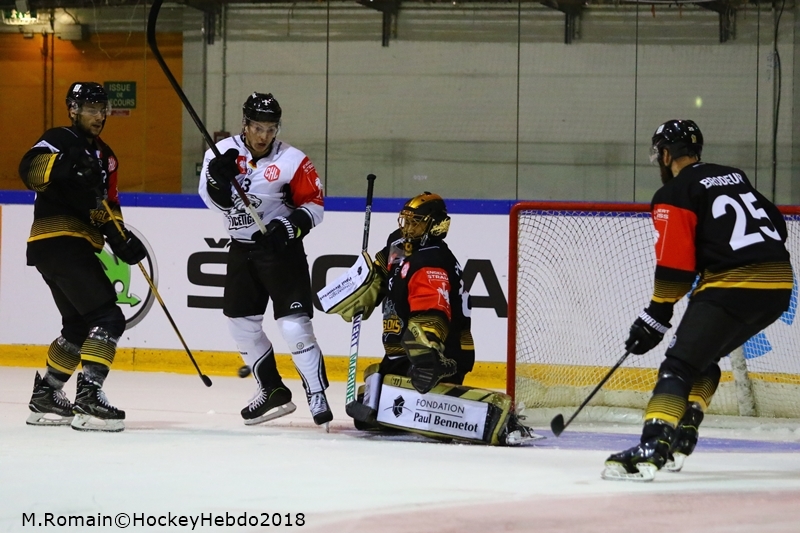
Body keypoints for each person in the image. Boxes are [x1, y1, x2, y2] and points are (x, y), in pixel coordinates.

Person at [602, 120, 793, 481]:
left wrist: (655, 315)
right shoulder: (733, 175)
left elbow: (675, 268)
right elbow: (777, 225)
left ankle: (653, 444)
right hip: (779, 286)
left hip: (733, 286)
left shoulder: (675, 192)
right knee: (703, 359)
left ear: (665, 154)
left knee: (677, 367)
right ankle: (684, 428)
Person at [321, 192, 538, 445]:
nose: (409, 228)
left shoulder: (431, 260)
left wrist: (428, 354)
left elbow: (433, 313)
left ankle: (439, 382)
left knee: (398, 388)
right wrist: (364, 284)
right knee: (368, 408)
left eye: (418, 222)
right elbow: (382, 268)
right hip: (401, 354)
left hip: (444, 355)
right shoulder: (398, 243)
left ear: (435, 226)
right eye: (407, 221)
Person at [198, 92, 332, 429]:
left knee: (294, 326)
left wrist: (286, 228)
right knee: (240, 324)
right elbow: (215, 203)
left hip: (281, 252)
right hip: (242, 250)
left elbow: (315, 205)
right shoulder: (220, 154)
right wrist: (217, 178)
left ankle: (316, 392)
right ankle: (271, 389)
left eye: (271, 129)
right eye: (257, 127)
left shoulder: (292, 160)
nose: (264, 136)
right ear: (245, 124)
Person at [19, 82, 147, 433]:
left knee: (77, 326)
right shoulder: (59, 138)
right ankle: (89, 397)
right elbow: (29, 169)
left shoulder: (107, 157)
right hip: (61, 240)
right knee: (107, 317)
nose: (98, 115)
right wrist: (67, 164)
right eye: (90, 108)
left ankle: (47, 394)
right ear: (72, 109)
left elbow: (108, 208)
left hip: (62, 246)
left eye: (101, 109)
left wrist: (122, 240)